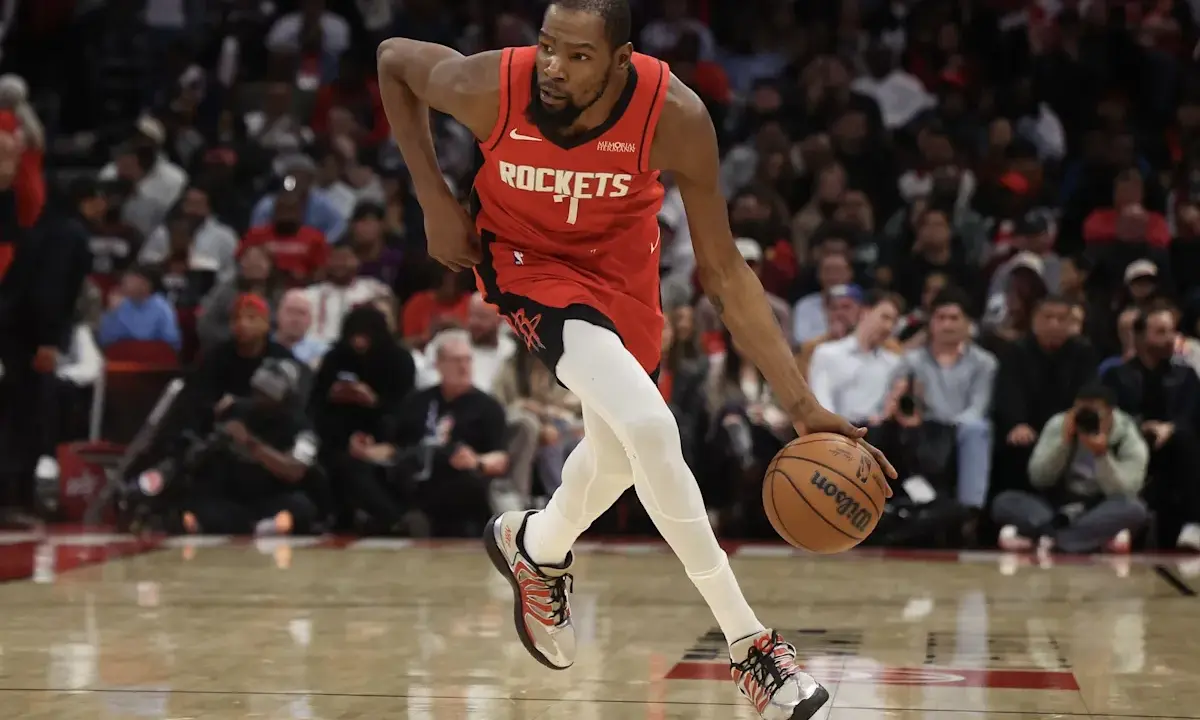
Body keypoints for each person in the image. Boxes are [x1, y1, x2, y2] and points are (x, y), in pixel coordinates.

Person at [376, 2, 895, 716]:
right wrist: (433, 198)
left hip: (623, 273)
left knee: (619, 457)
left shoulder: (674, 115)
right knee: (650, 428)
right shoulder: (493, 86)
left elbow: (724, 272)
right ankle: (751, 647)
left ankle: (536, 543)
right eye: (547, 46)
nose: (554, 67)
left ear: (621, 61)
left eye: (578, 56)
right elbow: (394, 60)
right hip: (526, 263)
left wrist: (803, 406)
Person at [992, 383, 1148, 554]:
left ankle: (1048, 537)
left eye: (1093, 415)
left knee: (1135, 509)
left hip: (1099, 506)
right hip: (1055, 505)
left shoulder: (1127, 435)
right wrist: (1063, 443)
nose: (1086, 420)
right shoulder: (1059, 424)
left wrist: (1102, 455)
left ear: (1111, 413)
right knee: (1004, 502)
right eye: (1081, 413)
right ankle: (1089, 540)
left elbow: (1126, 491)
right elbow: (1039, 478)